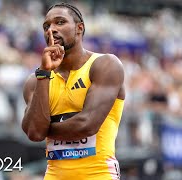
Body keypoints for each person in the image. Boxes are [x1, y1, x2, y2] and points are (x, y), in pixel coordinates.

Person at [22, 2, 125, 180]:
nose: (51, 29)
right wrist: (44, 73)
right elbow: (34, 132)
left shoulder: (105, 65)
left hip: (98, 174)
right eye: (46, 26)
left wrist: (45, 128)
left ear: (79, 28)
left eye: (60, 22)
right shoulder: (36, 80)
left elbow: (86, 124)